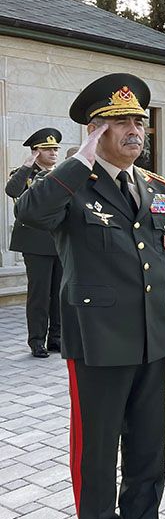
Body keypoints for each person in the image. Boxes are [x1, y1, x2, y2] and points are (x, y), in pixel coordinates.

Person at [16, 73, 165, 519]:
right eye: (121, 122)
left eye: (139, 120)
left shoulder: (158, 187)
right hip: (97, 334)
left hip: (152, 329)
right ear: (95, 131)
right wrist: (79, 160)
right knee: (99, 438)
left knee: (148, 431)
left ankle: (141, 517)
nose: (135, 129)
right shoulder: (71, 184)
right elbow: (29, 213)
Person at [5, 129, 63, 357]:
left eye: (56, 149)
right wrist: (27, 165)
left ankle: (56, 339)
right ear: (36, 151)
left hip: (59, 241)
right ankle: (37, 340)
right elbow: (12, 190)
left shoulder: (61, 174)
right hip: (35, 243)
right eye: (48, 149)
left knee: (59, 293)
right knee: (39, 294)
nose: (53, 153)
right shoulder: (24, 175)